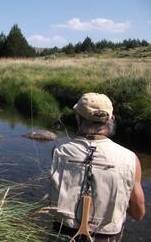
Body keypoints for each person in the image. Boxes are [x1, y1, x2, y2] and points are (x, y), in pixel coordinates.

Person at [50, 92, 145, 241]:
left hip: (63, 234)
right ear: (111, 119)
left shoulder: (59, 152)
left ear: (78, 119)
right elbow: (138, 213)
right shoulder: (130, 159)